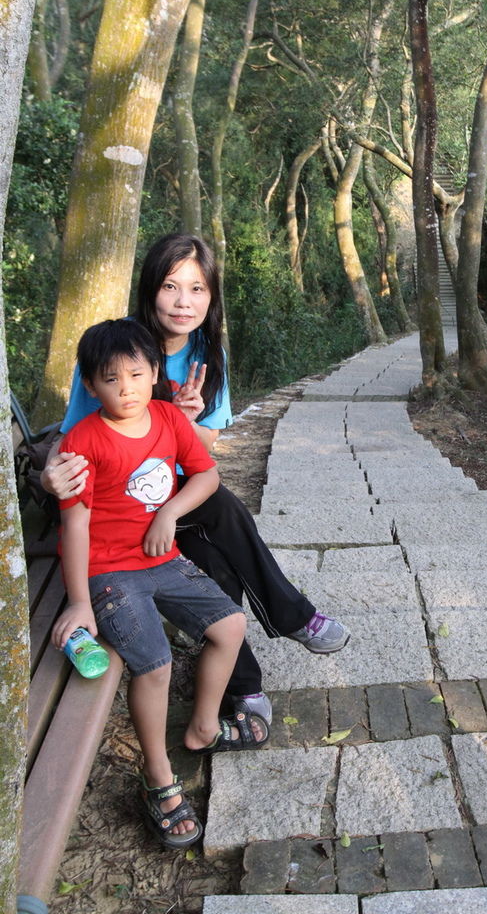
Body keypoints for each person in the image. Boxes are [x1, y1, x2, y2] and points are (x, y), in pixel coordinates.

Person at [42, 233, 349, 725]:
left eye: (197, 288)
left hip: (181, 491)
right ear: (150, 289)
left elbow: (207, 445)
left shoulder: (208, 351)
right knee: (220, 529)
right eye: (170, 286)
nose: (184, 301)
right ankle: (280, 632)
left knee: (217, 528)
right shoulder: (117, 352)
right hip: (122, 505)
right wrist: (50, 477)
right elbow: (73, 438)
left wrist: (184, 422)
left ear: (211, 296)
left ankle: (244, 688)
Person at [51, 319, 269, 851]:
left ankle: (202, 729)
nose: (125, 388)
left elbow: (207, 475)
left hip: (162, 558)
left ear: (155, 373)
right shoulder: (83, 442)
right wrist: (79, 602)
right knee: (155, 663)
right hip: (108, 573)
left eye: (135, 373)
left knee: (231, 625)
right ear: (90, 385)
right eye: (110, 379)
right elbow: (74, 525)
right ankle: (158, 776)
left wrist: (169, 513)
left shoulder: (169, 418)